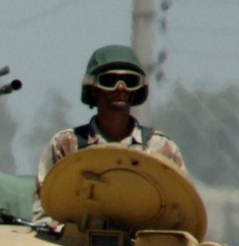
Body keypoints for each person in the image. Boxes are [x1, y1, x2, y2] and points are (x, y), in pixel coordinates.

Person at [35, 44, 184, 194]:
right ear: (93, 89)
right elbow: (45, 207)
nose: (120, 88)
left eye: (130, 81)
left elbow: (182, 208)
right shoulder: (66, 146)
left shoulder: (162, 149)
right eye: (110, 80)